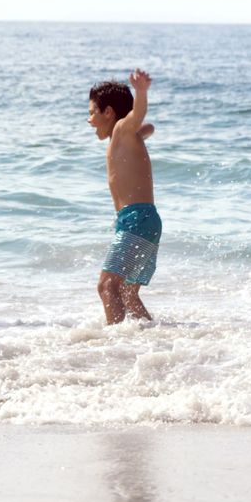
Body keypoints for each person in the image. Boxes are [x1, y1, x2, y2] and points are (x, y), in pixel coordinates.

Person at [87, 70, 162, 325]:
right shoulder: (126, 137)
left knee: (107, 286)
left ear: (108, 112)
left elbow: (138, 116)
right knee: (127, 293)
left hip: (136, 219)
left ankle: (114, 343)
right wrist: (142, 132)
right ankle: (148, 335)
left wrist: (140, 92)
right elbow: (146, 126)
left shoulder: (121, 129)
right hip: (144, 220)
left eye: (92, 113)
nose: (89, 120)